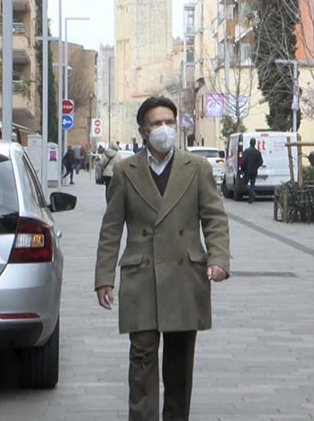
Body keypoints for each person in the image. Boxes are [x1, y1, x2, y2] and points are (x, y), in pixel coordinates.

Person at [95, 96, 230, 421]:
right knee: (141, 358)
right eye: (156, 123)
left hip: (185, 276)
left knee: (179, 363)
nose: (164, 129)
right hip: (140, 276)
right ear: (143, 131)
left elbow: (214, 216)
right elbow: (111, 227)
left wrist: (219, 258)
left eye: (169, 122)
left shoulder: (197, 168)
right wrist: (104, 278)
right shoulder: (126, 171)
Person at [240, 138, 263, 204]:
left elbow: (243, 161)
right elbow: (261, 162)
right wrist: (256, 166)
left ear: (250, 143)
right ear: (255, 143)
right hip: (254, 171)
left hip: (247, 170)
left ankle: (252, 193)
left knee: (244, 183)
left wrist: (242, 169)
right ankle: (251, 198)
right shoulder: (258, 152)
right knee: (253, 184)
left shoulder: (246, 151)